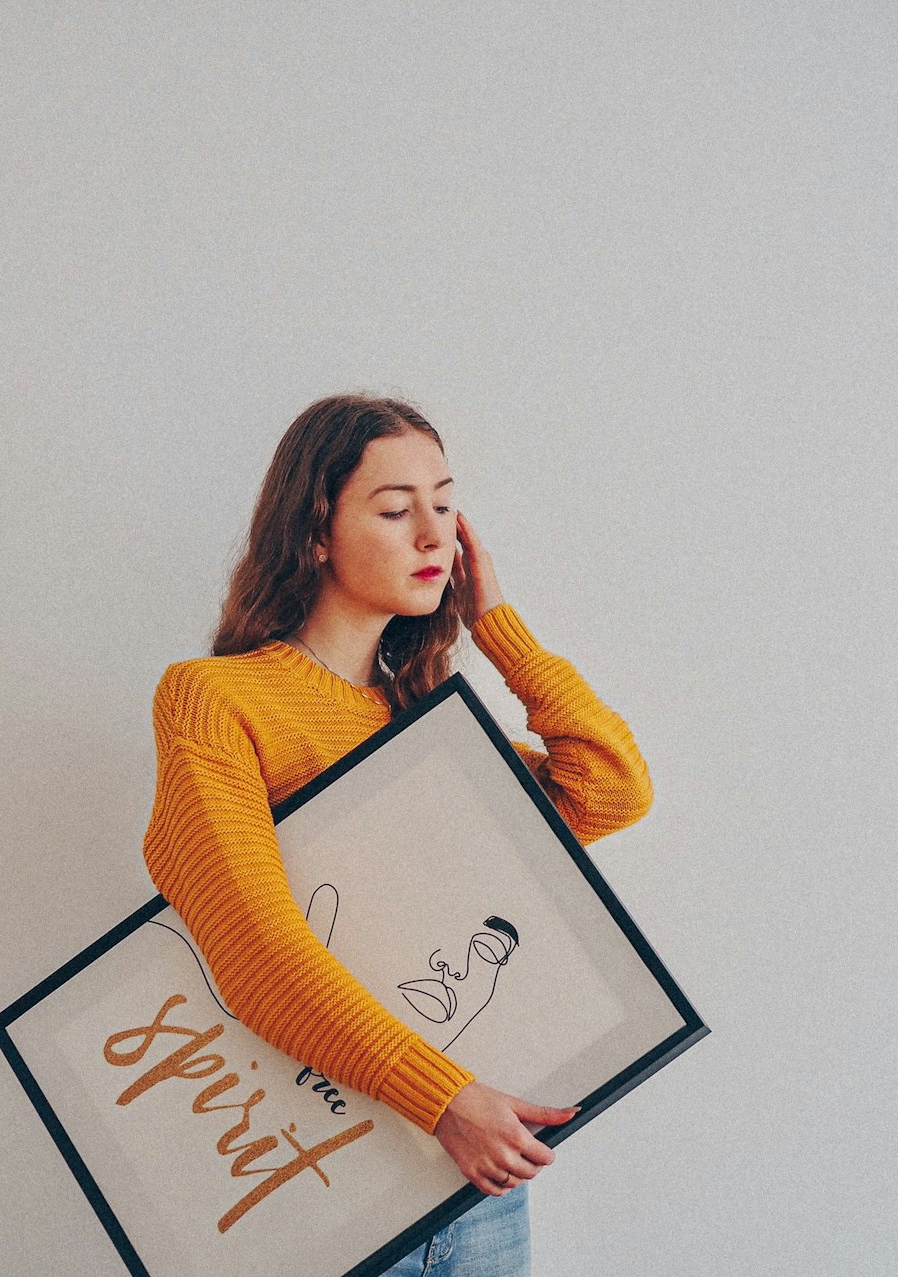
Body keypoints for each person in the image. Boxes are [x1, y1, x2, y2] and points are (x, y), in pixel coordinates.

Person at [143, 393, 653, 1276]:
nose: (433, 535)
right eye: (394, 508)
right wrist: (446, 1097)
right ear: (313, 532)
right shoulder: (214, 700)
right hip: (327, 1179)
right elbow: (255, 950)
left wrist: (496, 625)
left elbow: (607, 789)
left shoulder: (425, 723)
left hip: (474, 1179)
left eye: (446, 505)